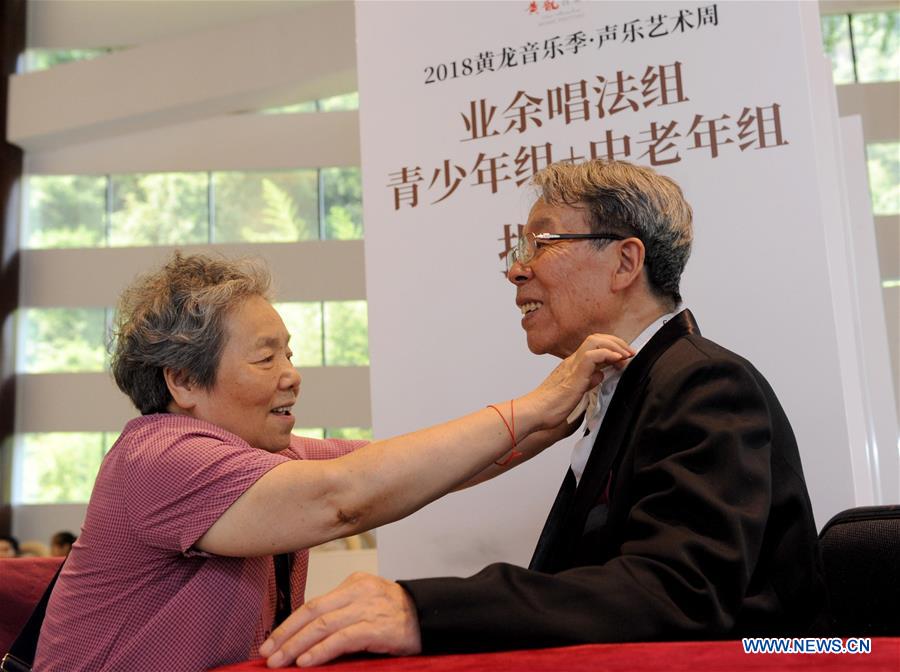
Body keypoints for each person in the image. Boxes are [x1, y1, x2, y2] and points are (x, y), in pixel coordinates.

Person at [261, 159, 828, 668]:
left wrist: (424, 611)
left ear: (626, 261)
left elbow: (677, 592)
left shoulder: (704, 381)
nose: (517, 270)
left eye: (542, 243)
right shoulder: (629, 385)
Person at [34, 252, 626, 672]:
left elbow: (418, 470)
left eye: (288, 352)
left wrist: (568, 412)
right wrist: (542, 400)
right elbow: (344, 497)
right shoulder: (160, 456)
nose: (292, 374)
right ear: (184, 380)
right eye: (266, 358)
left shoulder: (263, 456)